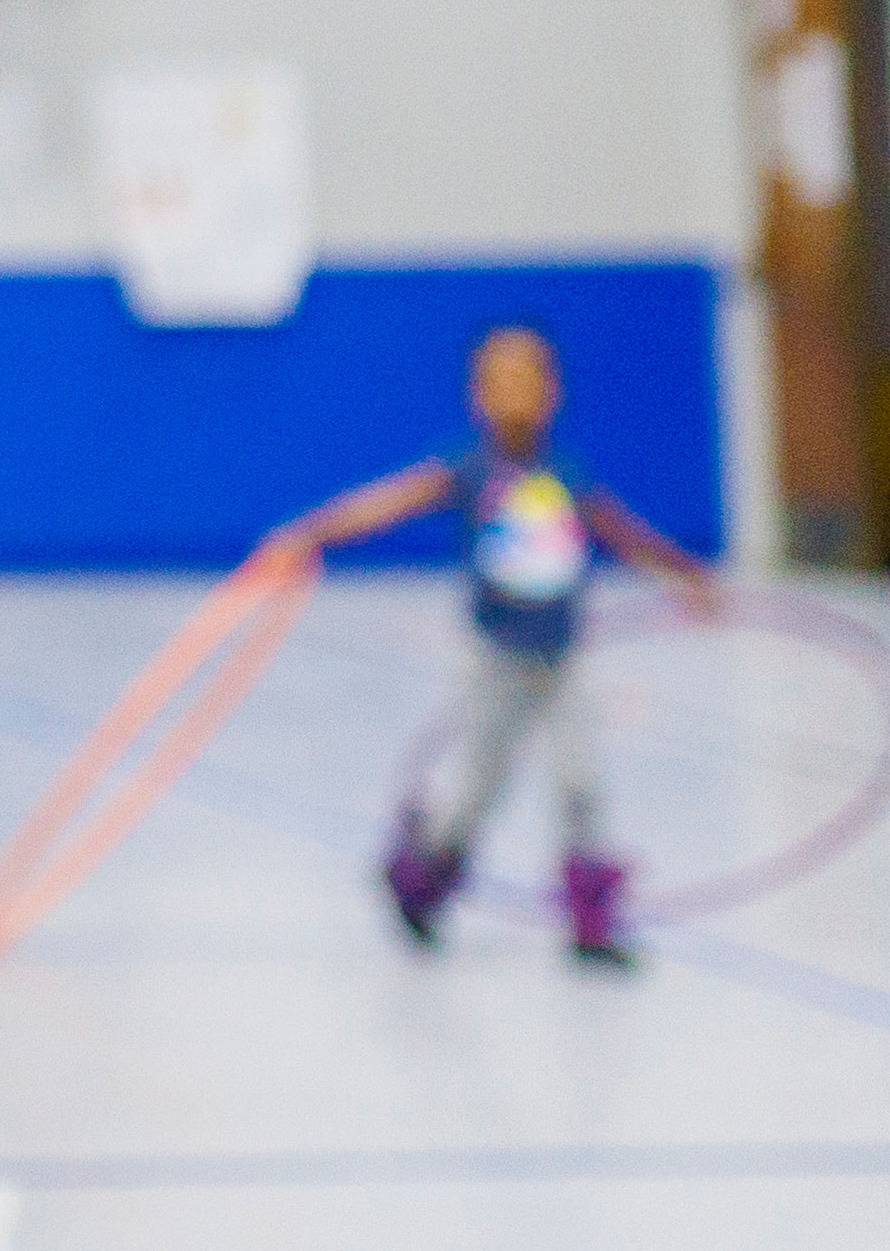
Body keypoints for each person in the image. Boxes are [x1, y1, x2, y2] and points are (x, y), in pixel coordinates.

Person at [285, 325, 718, 966]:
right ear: (478, 396)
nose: (516, 395)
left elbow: (620, 532)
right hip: (495, 659)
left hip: (562, 656)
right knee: (479, 788)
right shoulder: (469, 470)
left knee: (581, 780)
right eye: (501, 381)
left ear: (553, 392)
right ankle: (424, 877)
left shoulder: (565, 474)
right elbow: (395, 500)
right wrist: (319, 530)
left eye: (530, 380)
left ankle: (591, 921)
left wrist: (683, 573)